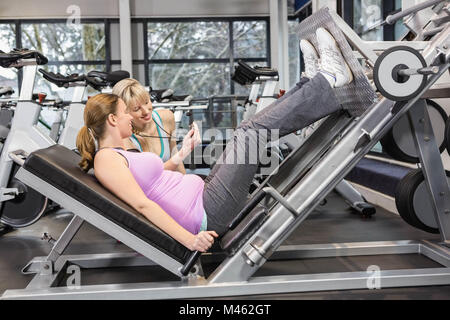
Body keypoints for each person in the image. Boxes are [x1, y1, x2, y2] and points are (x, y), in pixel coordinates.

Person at [76, 28, 353, 253]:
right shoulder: (107, 159)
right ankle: (327, 79)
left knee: (246, 128)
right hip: (207, 212)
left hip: (205, 195)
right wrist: (189, 240)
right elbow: (142, 205)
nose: (131, 118)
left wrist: (182, 152)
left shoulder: (121, 150)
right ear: (112, 120)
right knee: (251, 132)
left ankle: (311, 81)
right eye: (126, 113)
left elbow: (156, 178)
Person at [112, 78, 186, 174]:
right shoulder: (125, 138)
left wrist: (185, 181)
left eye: (147, 102)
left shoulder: (167, 117)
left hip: (172, 183)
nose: (146, 111)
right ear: (124, 112)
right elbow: (146, 176)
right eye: (136, 109)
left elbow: (176, 157)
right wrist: (186, 149)